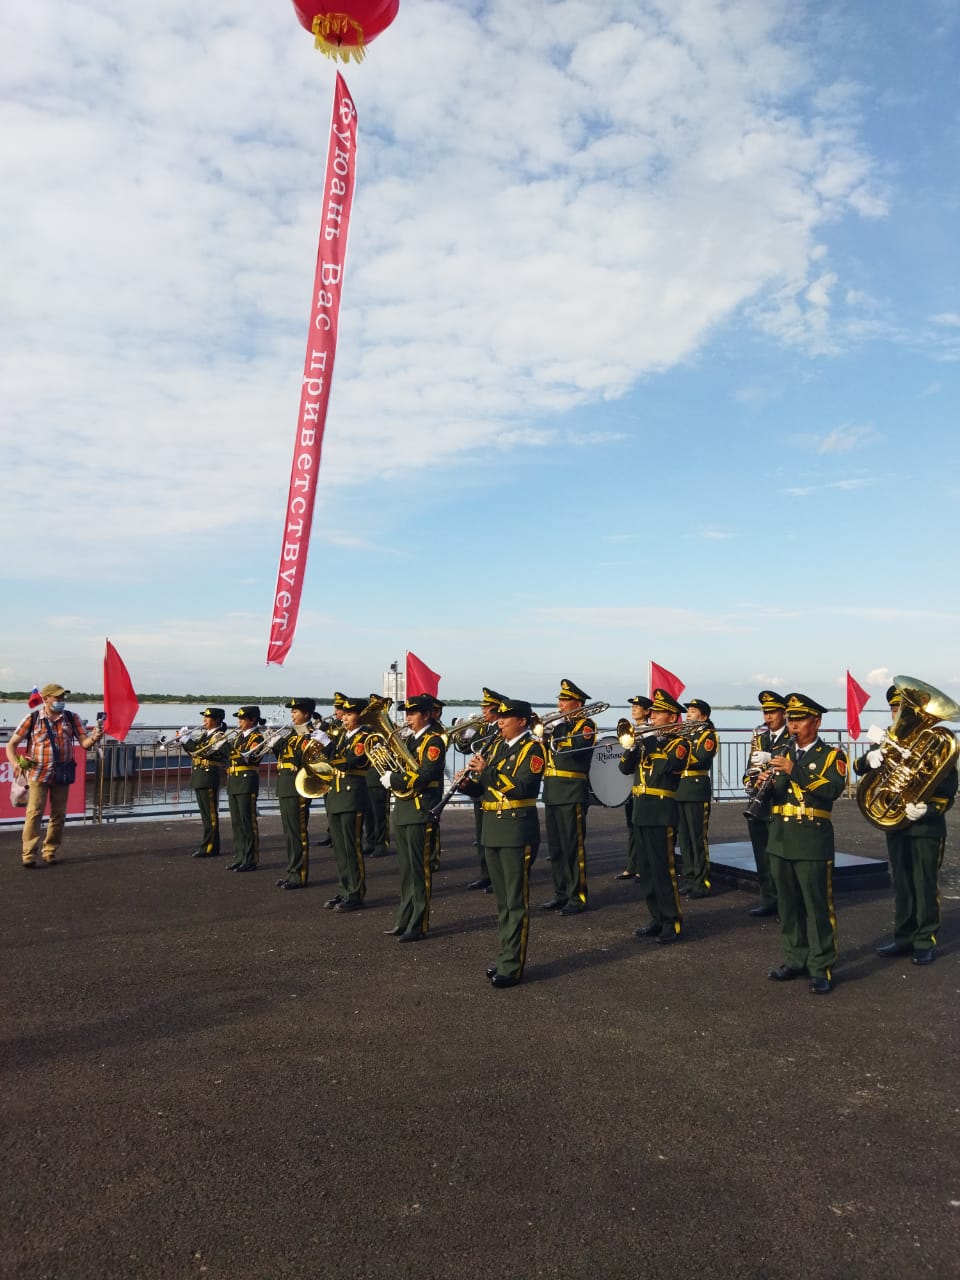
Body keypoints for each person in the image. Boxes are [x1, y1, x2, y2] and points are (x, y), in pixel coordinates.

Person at [856, 685, 957, 967]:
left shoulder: (934, 745)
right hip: (896, 824)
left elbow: (949, 788)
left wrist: (928, 808)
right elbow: (857, 768)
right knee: (901, 881)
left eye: (902, 708)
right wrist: (869, 759)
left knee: (924, 883)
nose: (898, 714)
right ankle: (903, 937)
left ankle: (925, 940)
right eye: (894, 709)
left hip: (926, 827)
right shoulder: (888, 742)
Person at [764, 693, 848, 995]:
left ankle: (821, 965)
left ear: (817, 722)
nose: (793, 726)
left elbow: (831, 790)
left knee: (817, 907)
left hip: (812, 840)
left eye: (799, 720)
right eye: (791, 720)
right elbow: (774, 796)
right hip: (781, 840)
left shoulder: (831, 756)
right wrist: (760, 783)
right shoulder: (781, 752)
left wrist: (792, 770)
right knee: (787, 907)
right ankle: (794, 958)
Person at [460, 697, 545, 988]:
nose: (500, 722)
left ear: (522, 720)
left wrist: (488, 771)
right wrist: (468, 784)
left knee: (515, 901)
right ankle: (504, 956)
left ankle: (513, 965)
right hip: (493, 829)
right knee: (502, 903)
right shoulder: (496, 746)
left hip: (516, 829)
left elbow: (523, 786)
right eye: (500, 718)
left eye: (506, 718)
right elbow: (485, 789)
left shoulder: (533, 748)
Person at [617, 688, 688, 944]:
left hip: (661, 812)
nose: (653, 717)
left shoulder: (680, 743)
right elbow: (624, 768)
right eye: (654, 712)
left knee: (663, 870)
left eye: (658, 713)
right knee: (646, 871)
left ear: (671, 717)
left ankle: (672, 921)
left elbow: (664, 768)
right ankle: (656, 918)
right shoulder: (647, 742)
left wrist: (648, 742)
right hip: (641, 810)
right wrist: (632, 747)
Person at [5, 682, 103, 867]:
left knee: (59, 813)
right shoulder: (32, 718)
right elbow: (11, 745)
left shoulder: (72, 718)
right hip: (37, 773)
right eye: (57, 697)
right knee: (34, 812)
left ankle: (50, 850)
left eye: (63, 697)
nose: (61, 701)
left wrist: (95, 736)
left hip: (62, 773)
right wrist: (16, 763)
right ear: (46, 698)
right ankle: (29, 853)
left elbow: (84, 743)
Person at [380, 694, 446, 941]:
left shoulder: (433, 742)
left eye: (412, 713)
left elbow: (425, 774)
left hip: (420, 810)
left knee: (419, 872)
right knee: (406, 872)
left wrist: (393, 779)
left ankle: (419, 924)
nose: (407, 718)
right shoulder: (410, 741)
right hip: (405, 810)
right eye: (405, 713)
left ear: (426, 715)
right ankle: (404, 918)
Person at [540, 678, 597, 915]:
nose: (560, 704)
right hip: (553, 791)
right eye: (560, 699)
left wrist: (559, 729)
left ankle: (577, 895)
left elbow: (575, 750)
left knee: (573, 847)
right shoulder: (558, 725)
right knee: (556, 848)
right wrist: (543, 735)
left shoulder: (586, 724)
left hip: (572, 791)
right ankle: (561, 892)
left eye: (565, 700)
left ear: (578, 703)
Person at [314, 694, 370, 912]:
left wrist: (327, 746)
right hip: (337, 795)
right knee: (339, 848)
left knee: (351, 848)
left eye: (349, 714)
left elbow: (349, 763)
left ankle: (355, 893)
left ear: (360, 716)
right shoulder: (343, 736)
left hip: (351, 795)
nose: (344, 718)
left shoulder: (365, 736)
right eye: (343, 714)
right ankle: (345, 888)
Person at [742, 691, 790, 917]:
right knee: (762, 856)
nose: (768, 717)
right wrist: (751, 782)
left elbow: (791, 765)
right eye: (765, 712)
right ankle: (769, 899)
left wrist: (769, 758)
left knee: (780, 860)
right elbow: (750, 769)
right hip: (759, 804)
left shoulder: (792, 736)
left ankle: (786, 905)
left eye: (772, 712)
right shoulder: (760, 737)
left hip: (779, 803)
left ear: (783, 713)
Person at [675, 698, 718, 898]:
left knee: (697, 837)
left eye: (693, 711)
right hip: (680, 788)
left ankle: (702, 882)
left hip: (695, 788)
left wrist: (677, 756)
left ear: (704, 716)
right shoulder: (683, 734)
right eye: (688, 711)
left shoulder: (708, 735)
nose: (688, 714)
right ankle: (690, 878)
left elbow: (701, 758)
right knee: (684, 839)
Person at [464, 687, 505, 891]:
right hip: (478, 784)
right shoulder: (484, 728)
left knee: (493, 835)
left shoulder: (500, 730)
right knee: (481, 834)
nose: (483, 711)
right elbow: (466, 749)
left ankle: (496, 876)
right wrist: (465, 734)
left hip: (493, 784)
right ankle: (485, 874)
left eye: (486, 708)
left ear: (496, 709)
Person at [274, 698, 316, 890]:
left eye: (296, 712)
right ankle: (292, 871)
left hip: (297, 787)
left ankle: (299, 874)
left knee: (298, 833)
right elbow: (282, 756)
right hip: (285, 786)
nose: (292, 715)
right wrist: (275, 743)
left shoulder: (310, 734)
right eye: (292, 712)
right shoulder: (292, 733)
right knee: (289, 834)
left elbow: (307, 760)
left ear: (306, 714)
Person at [180, 707, 227, 858]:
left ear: (217, 720)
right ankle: (209, 845)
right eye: (204, 718)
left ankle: (210, 847)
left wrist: (188, 741)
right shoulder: (205, 735)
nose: (204, 721)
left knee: (210, 815)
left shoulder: (218, 736)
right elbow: (194, 752)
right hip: (200, 776)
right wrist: (184, 741)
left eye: (208, 718)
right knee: (206, 815)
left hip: (209, 777)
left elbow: (203, 751)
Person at [225, 706, 265, 872]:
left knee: (248, 822)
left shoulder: (257, 737)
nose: (239, 722)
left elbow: (247, 759)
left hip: (246, 781)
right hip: (234, 781)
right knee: (237, 823)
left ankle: (250, 859)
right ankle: (240, 856)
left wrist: (226, 747)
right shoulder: (238, 737)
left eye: (242, 719)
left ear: (252, 720)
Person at [616, 695, 652, 880]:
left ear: (647, 711)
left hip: (645, 786)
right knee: (631, 827)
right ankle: (631, 865)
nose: (634, 709)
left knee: (642, 828)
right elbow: (624, 768)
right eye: (633, 706)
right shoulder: (632, 732)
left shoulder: (651, 732)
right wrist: (630, 749)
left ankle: (641, 867)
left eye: (638, 706)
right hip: (632, 786)